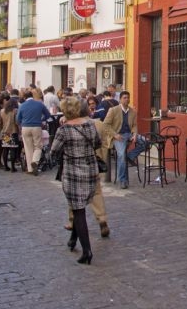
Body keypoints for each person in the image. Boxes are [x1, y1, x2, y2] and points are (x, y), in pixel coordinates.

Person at [50, 97, 101, 265]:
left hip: (73, 173)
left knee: (78, 211)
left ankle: (87, 251)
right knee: (78, 206)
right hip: (90, 171)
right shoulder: (90, 125)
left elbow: (53, 152)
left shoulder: (63, 130)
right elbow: (97, 143)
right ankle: (73, 240)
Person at [64, 99, 111, 238]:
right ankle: (102, 220)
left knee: (75, 195)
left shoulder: (72, 126)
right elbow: (104, 144)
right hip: (93, 165)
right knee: (96, 193)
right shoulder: (98, 124)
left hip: (77, 165)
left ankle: (72, 221)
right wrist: (101, 157)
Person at [103, 91, 144, 189]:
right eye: (125, 98)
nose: (127, 99)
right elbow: (105, 125)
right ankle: (122, 180)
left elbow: (134, 125)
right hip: (119, 136)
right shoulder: (113, 110)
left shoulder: (133, 111)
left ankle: (130, 156)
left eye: (128, 98)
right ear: (120, 99)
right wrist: (115, 135)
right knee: (121, 155)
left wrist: (134, 134)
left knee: (145, 142)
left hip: (129, 134)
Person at [16, 89, 51, 176]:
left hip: (25, 127)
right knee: (38, 146)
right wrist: (41, 119)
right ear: (32, 96)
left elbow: (17, 119)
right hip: (36, 126)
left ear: (24, 97)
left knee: (28, 148)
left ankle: (30, 169)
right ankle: (35, 161)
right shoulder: (39, 104)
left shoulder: (22, 105)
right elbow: (48, 114)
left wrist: (22, 123)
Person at [0, 98, 20, 172]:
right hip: (13, 131)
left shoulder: (2, 111)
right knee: (13, 149)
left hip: (5, 132)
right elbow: (17, 122)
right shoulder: (15, 111)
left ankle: (6, 166)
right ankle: (13, 167)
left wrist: (2, 128)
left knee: (6, 149)